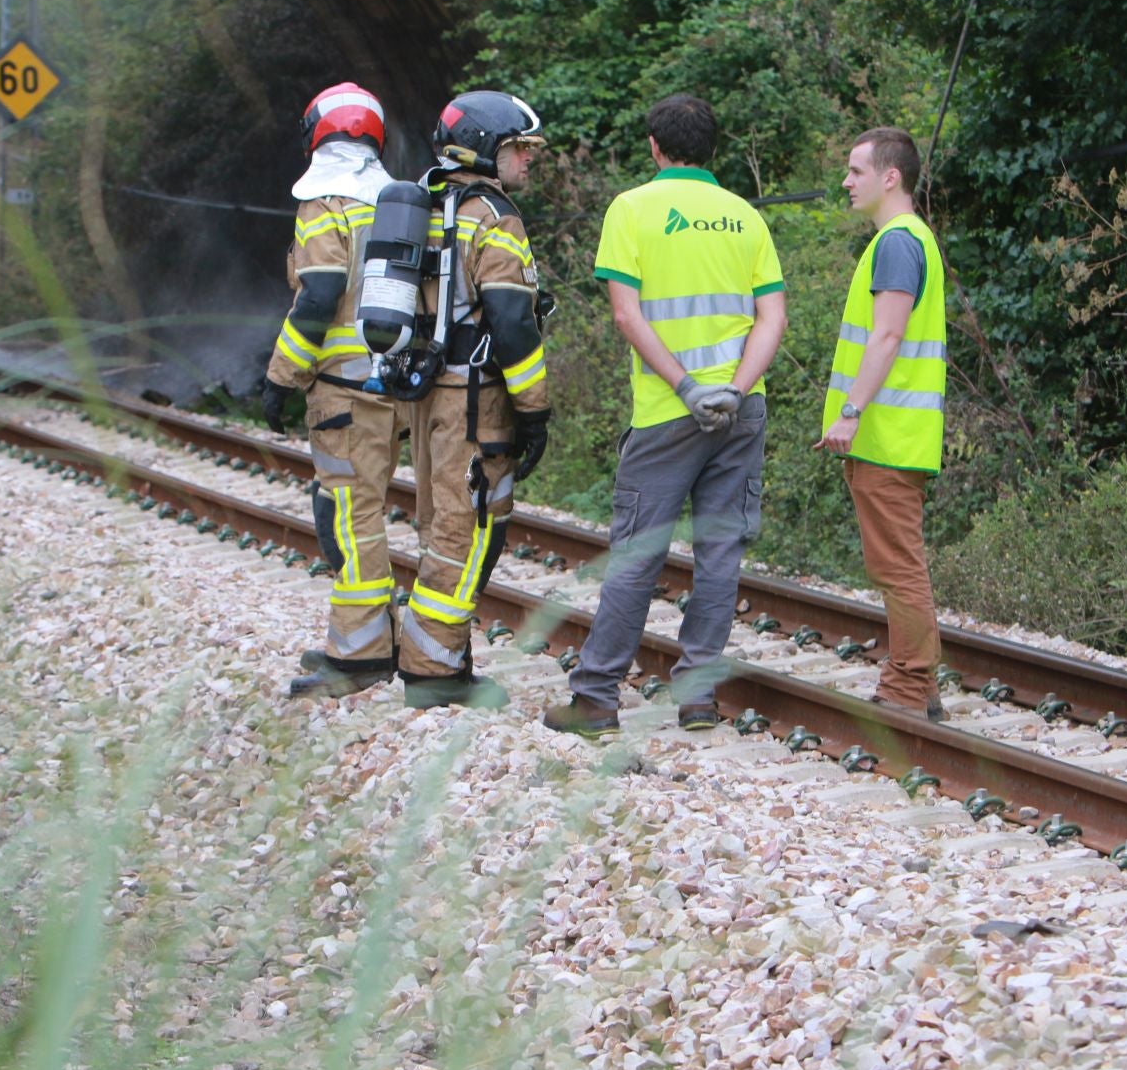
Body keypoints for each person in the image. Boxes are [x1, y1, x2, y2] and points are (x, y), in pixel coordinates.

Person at [543, 94, 785, 739]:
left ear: (655, 145)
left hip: (665, 414)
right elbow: (773, 319)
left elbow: (628, 315)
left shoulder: (632, 208)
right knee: (720, 552)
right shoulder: (745, 217)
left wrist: (685, 388)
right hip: (742, 411)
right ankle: (699, 697)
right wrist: (733, 389)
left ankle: (595, 699)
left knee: (637, 554)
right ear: (713, 149)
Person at [394, 90, 553, 709]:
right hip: (475, 401)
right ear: (487, 148)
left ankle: (442, 658)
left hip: (429, 394)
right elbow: (513, 322)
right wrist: (534, 409)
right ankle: (434, 675)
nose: (528, 160)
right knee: (470, 529)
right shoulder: (494, 216)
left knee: (440, 524)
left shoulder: (427, 201)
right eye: (520, 148)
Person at [263, 83, 407, 698]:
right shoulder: (398, 203)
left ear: (315, 135)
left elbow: (318, 295)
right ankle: (373, 637)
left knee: (344, 515)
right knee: (363, 510)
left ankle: (358, 657)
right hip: (395, 382)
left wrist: (280, 377)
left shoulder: (325, 202)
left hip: (342, 390)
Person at [815, 128, 947, 721]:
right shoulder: (905, 239)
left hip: (888, 436)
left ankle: (910, 686)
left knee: (896, 566)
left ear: (890, 177)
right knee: (895, 562)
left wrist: (850, 411)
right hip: (891, 436)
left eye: (855, 170)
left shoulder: (897, 242)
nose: (846, 181)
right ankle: (921, 684)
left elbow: (888, 335)